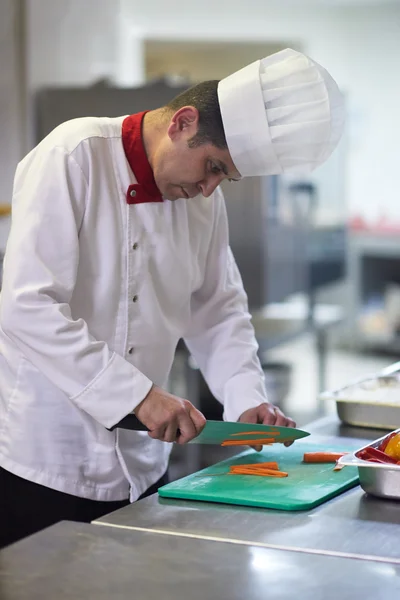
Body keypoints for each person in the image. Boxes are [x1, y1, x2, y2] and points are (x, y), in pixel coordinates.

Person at [0, 48, 345, 548]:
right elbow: (25, 307)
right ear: (182, 122)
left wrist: (247, 398)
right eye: (211, 166)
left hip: (143, 467)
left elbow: (218, 309)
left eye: (224, 177)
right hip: (46, 461)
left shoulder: (205, 202)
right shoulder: (72, 155)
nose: (209, 189)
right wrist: (137, 395)